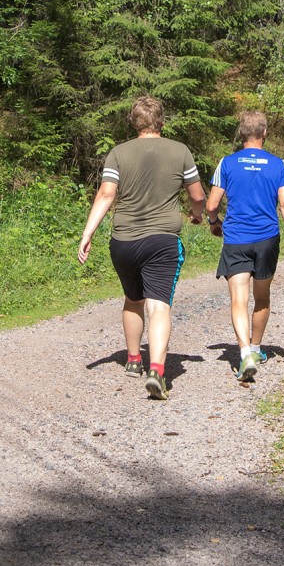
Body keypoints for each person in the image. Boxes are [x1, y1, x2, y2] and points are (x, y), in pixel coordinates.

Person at [76, 96, 207, 399]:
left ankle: (134, 360)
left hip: (123, 242)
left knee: (133, 298)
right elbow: (197, 195)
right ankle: (157, 371)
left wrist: (87, 234)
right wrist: (198, 214)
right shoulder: (181, 151)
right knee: (158, 304)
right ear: (162, 120)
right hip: (162, 241)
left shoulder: (118, 153)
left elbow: (106, 195)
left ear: (134, 122)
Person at [205, 110, 284, 383]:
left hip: (236, 238)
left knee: (239, 299)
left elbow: (212, 205)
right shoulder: (278, 165)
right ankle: (257, 348)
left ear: (241, 134)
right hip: (267, 239)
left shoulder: (227, 163)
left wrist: (214, 222)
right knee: (262, 297)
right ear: (264, 134)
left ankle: (245, 352)